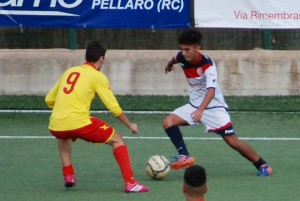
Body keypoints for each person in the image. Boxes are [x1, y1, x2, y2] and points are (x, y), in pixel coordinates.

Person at [163, 29, 272, 176]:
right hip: (194, 106)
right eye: (182, 49)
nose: (184, 53)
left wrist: (201, 111)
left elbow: (211, 91)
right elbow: (174, 58)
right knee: (168, 122)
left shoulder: (208, 64)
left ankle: (262, 164)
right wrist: (169, 65)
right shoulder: (182, 57)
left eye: (187, 49)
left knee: (232, 141)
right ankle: (185, 156)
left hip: (213, 107)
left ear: (197, 48)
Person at [45, 41, 149, 193]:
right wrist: (129, 124)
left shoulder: (69, 71)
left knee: (64, 137)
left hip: (55, 124)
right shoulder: (97, 76)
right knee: (117, 140)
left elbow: (49, 100)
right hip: (79, 121)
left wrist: (64, 111)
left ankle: (68, 176)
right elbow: (113, 107)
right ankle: (130, 183)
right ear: (101, 59)